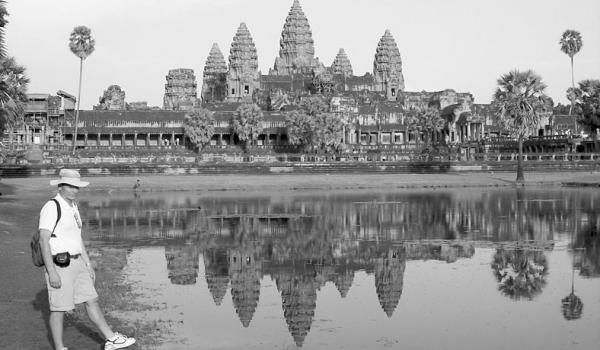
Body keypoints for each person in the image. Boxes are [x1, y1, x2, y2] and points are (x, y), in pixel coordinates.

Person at [39, 169, 136, 350]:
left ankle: (111, 339)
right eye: (70, 186)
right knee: (59, 309)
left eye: (77, 186)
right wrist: (52, 271)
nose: (74, 190)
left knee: (92, 300)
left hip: (78, 262)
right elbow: (44, 239)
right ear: (60, 186)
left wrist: (88, 263)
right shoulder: (52, 207)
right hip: (60, 264)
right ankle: (60, 348)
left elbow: (78, 237)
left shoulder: (73, 206)